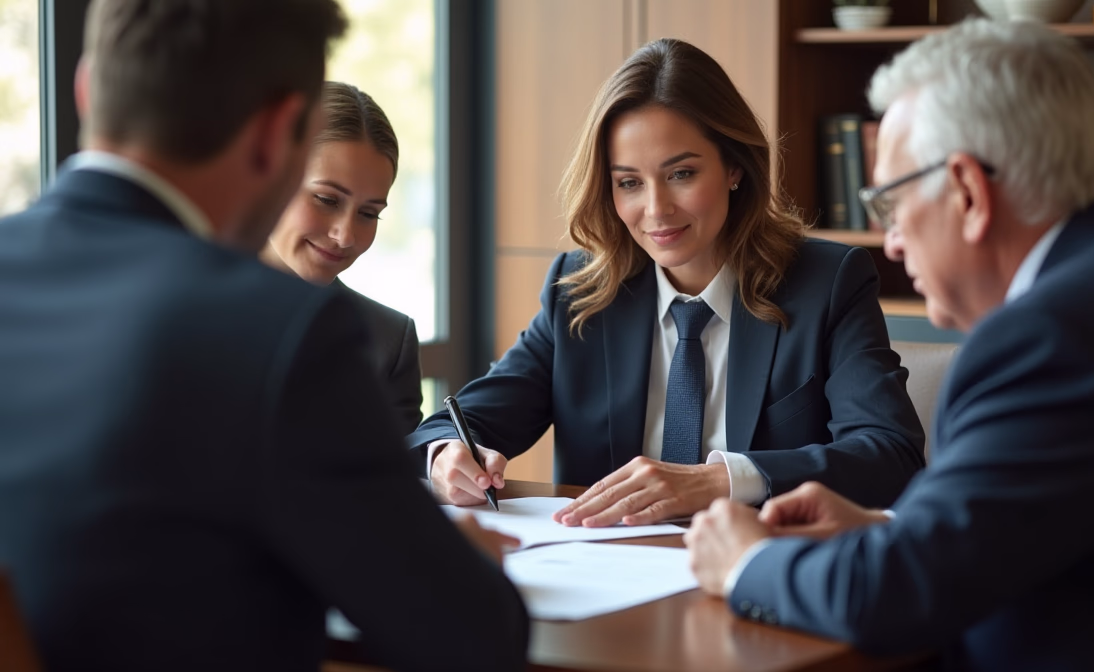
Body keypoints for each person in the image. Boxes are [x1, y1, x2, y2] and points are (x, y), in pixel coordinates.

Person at [0, 2, 527, 671]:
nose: (345, 233)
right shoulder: (276, 330)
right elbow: (471, 636)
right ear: (281, 133)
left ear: (85, 86)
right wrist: (465, 568)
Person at [684, 18, 1094, 670]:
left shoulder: (1051, 341)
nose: (892, 243)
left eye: (891, 207)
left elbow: (896, 594)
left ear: (968, 192)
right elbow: (1061, 518)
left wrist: (746, 561)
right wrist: (892, 528)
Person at [408, 38, 925, 527]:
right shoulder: (579, 291)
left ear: (734, 167)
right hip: (608, 574)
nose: (656, 209)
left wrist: (719, 480)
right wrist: (446, 455)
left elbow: (891, 454)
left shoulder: (827, 283)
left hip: (760, 565)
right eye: (629, 182)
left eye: (681, 174)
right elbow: (449, 427)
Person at [261, 81, 423, 435]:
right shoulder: (178, 304)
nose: (345, 236)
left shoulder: (386, 341)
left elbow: (404, 465)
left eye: (368, 213)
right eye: (327, 199)